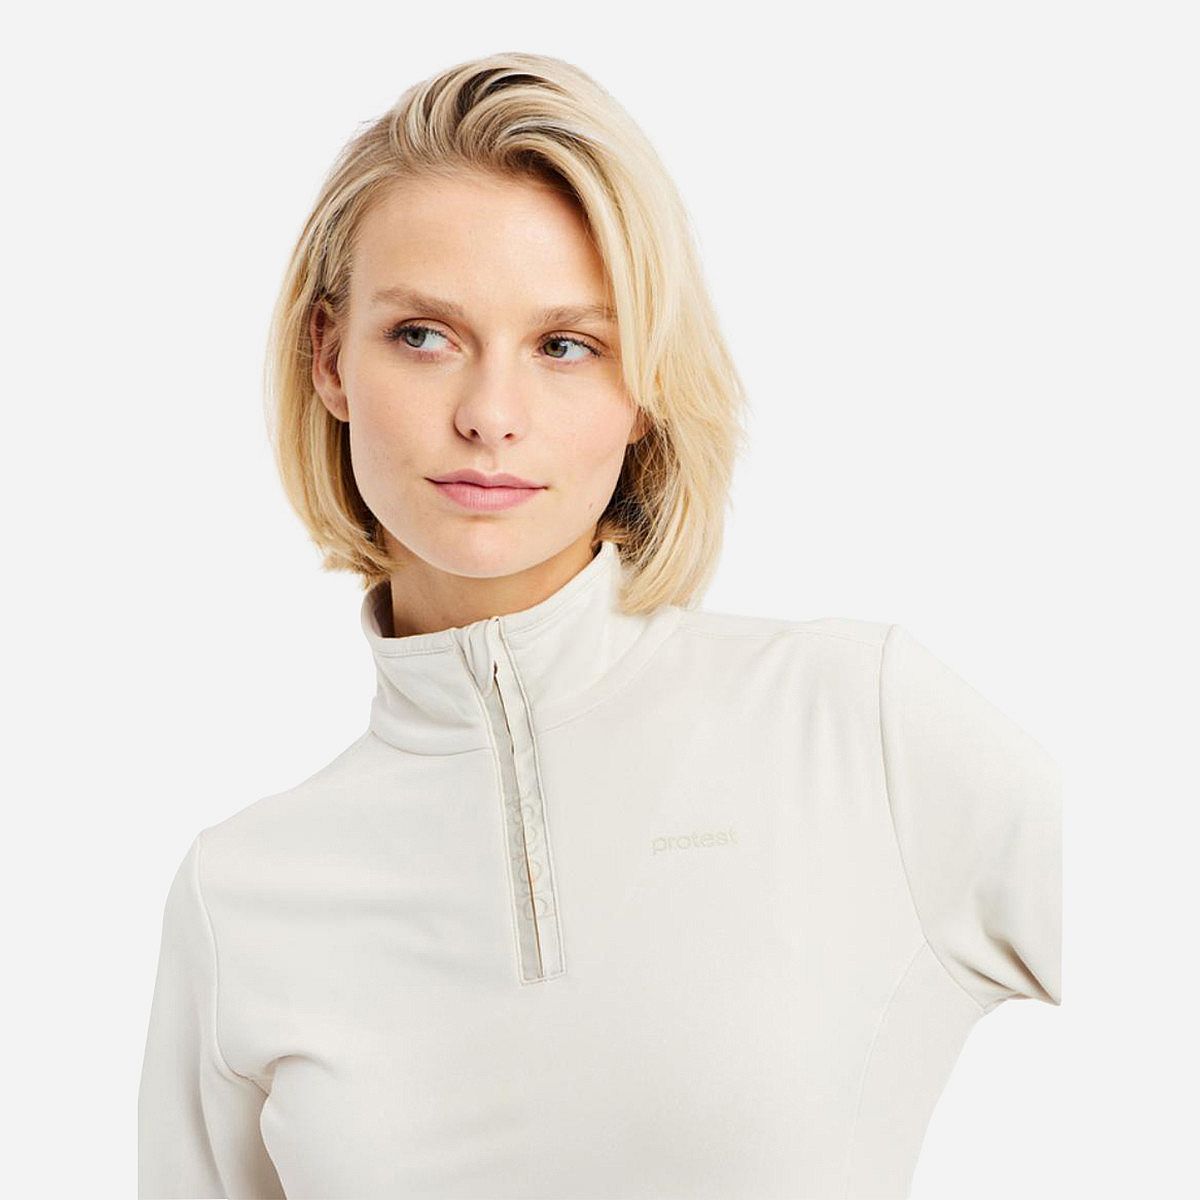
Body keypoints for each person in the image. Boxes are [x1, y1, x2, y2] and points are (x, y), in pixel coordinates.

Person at [136, 51, 1062, 1200]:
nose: (489, 415)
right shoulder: (242, 895)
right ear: (329, 359)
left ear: (644, 388)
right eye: (423, 334)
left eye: (565, 345)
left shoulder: (852, 726)